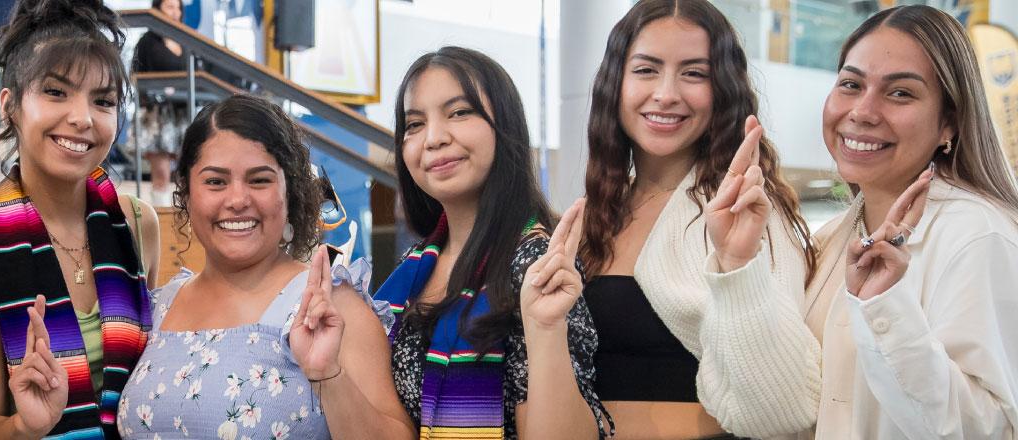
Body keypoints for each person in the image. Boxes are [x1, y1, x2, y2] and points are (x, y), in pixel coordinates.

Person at [578, 0, 822, 437]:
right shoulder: (593, 216)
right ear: (615, 83)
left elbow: (785, 408)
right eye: (646, 69)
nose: (667, 93)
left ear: (722, 91)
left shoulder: (747, 214)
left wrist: (737, 266)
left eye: (694, 73)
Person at [116, 94, 410, 439]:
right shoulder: (158, 307)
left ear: (292, 193)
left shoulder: (329, 307)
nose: (238, 200)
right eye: (215, 181)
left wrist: (329, 376)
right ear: (187, 192)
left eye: (259, 180)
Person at [0, 0, 161, 438]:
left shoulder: (139, 224)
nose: (81, 118)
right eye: (56, 92)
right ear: (10, 105)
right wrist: (27, 424)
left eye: (103, 101)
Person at [803, 6, 1018, 438]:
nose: (862, 111)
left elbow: (992, 428)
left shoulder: (977, 235)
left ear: (949, 123)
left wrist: (887, 310)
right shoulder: (831, 239)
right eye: (850, 84)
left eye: (900, 93)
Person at [375, 46, 611, 439]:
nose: (433, 138)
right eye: (414, 124)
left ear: (505, 127)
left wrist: (546, 328)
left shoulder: (534, 262)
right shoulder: (414, 267)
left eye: (459, 113)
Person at [129, 0, 191, 207]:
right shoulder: (147, 40)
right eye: (169, 6)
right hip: (156, 113)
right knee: (161, 172)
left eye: (178, 7)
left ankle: (185, 217)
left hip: (182, 111)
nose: (175, 12)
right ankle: (160, 218)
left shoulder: (185, 41)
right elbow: (136, 74)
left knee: (187, 171)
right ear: (158, 9)